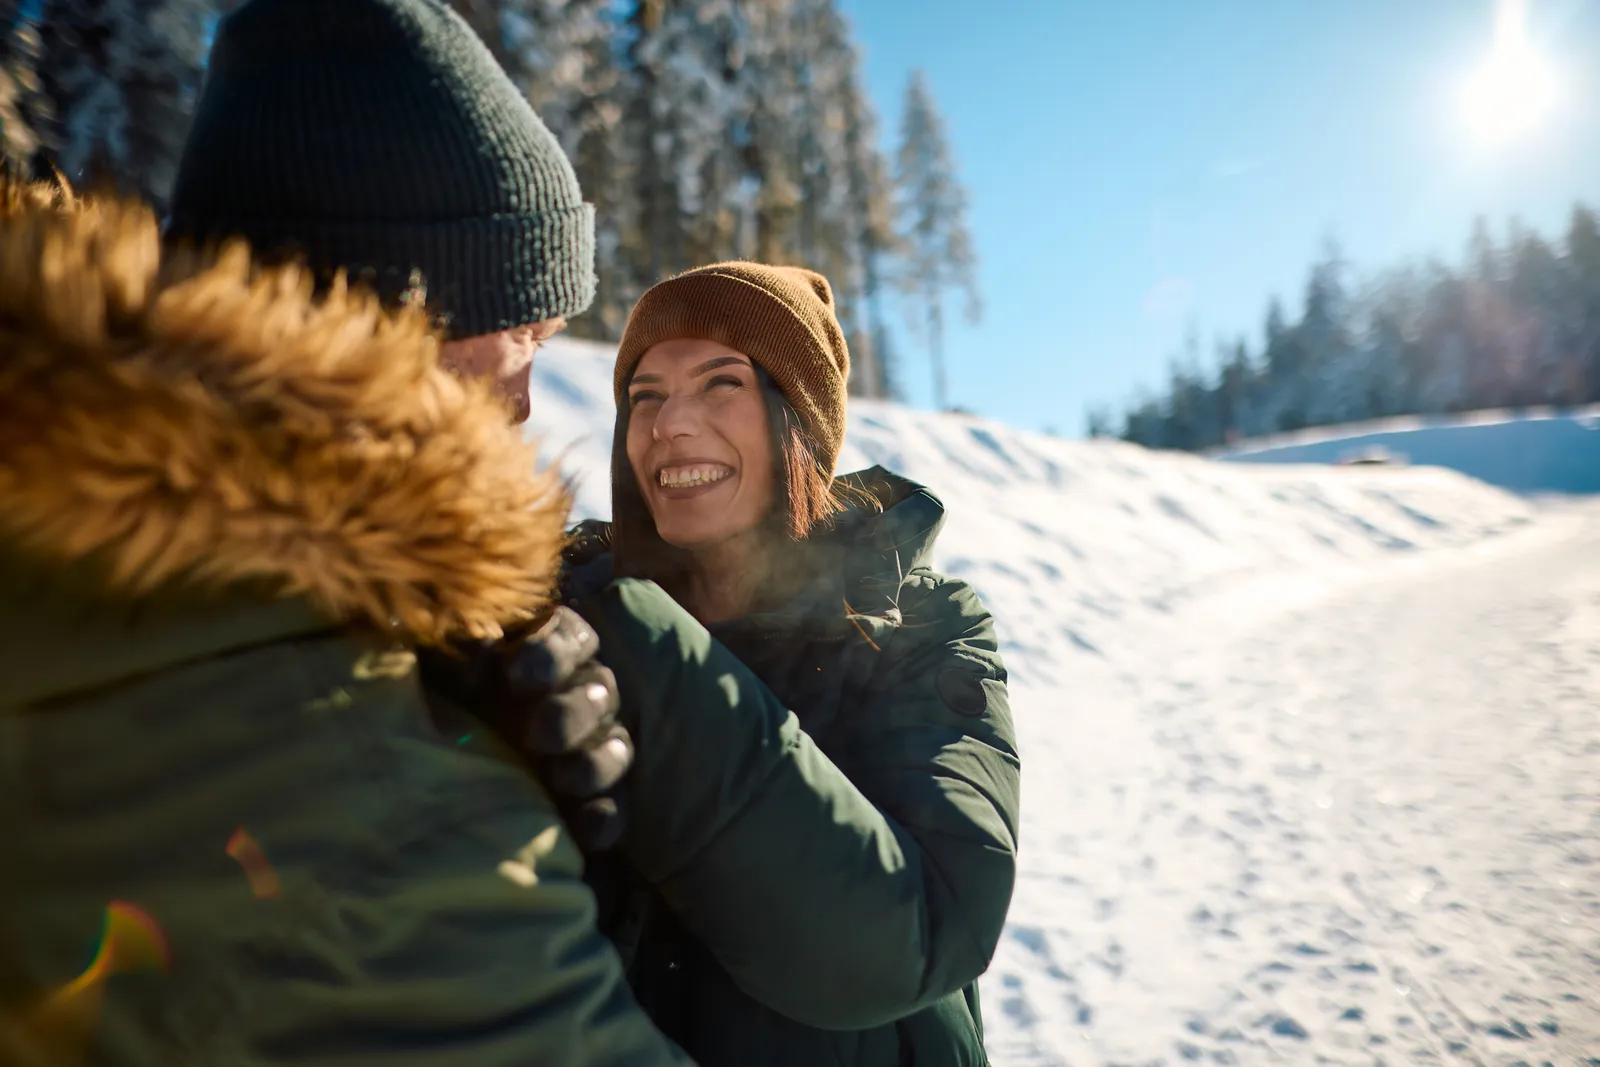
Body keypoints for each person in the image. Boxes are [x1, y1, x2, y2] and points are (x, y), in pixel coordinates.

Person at [0, 0, 679, 1062]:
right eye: (521, 337)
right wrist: (484, 825)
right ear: (393, 324)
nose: (524, 406)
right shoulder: (391, 833)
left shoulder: (57, 547)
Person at [550, 261, 1023, 1067]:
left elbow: (913, 934)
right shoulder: (562, 627)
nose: (669, 423)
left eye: (720, 382)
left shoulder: (923, 627)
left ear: (796, 418)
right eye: (645, 394)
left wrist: (640, 648)